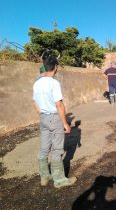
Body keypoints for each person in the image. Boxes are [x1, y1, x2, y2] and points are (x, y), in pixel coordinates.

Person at [33, 55, 77, 188]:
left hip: (44, 118)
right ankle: (59, 180)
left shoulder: (37, 82)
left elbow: (35, 102)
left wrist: (42, 115)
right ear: (56, 67)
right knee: (57, 149)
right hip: (54, 117)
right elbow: (59, 105)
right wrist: (65, 123)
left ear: (44, 66)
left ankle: (44, 177)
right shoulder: (54, 83)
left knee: (44, 148)